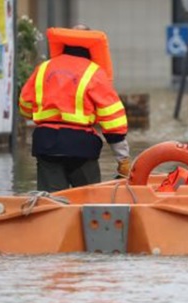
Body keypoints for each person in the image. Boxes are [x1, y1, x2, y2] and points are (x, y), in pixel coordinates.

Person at [19, 25, 130, 192]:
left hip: (46, 144)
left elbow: (25, 106)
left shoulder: (43, 68)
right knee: (90, 203)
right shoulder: (95, 73)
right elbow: (113, 120)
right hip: (81, 147)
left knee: (51, 203)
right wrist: (123, 159)